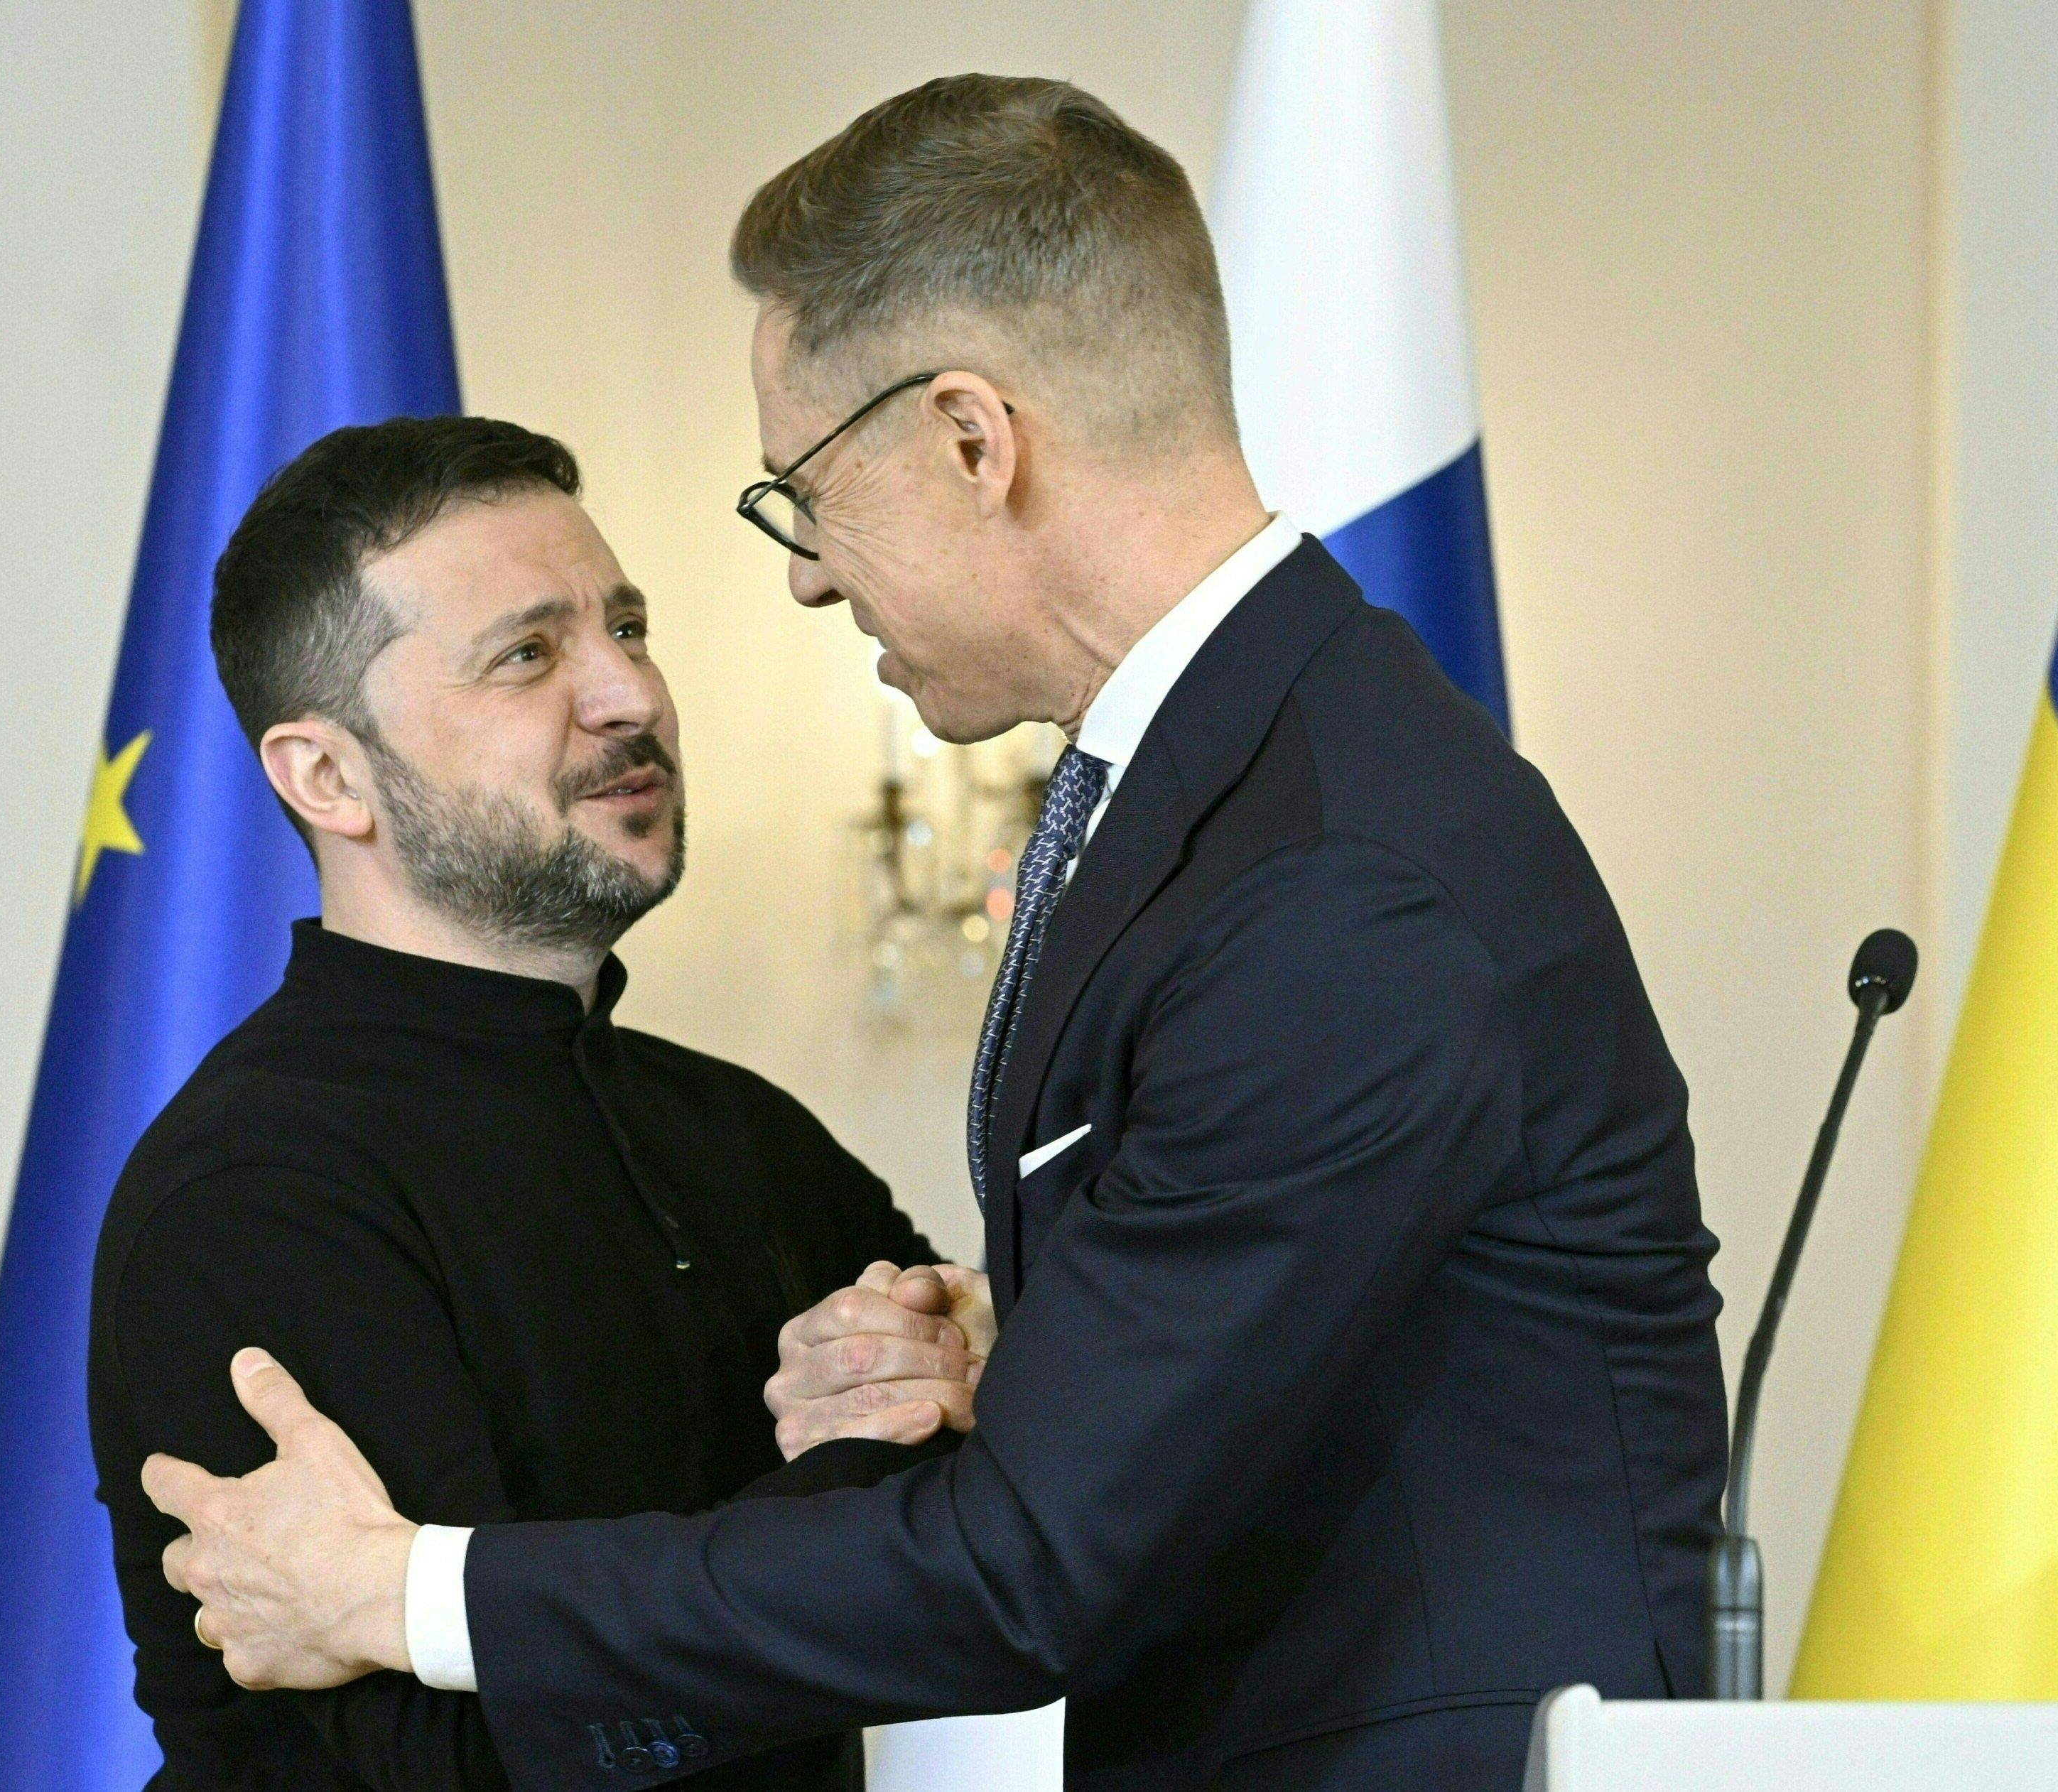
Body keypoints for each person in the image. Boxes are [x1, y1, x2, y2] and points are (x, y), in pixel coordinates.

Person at [147, 77, 1729, 1791]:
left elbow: (1021, 1567)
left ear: (974, 440)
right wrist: (1028, 1355)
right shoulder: (1263, 779)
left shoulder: (1324, 876)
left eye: (803, 493)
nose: (809, 577)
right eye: (524, 652)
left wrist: (403, 1587)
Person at [89, 416, 983, 1790]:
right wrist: (866, 1467)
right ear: (327, 776)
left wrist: (973, 1349)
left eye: (626, 626)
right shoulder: (255, 1196)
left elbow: (1013, 1541)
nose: (629, 693)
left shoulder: (740, 1131)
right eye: (528, 655)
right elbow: (472, 1758)